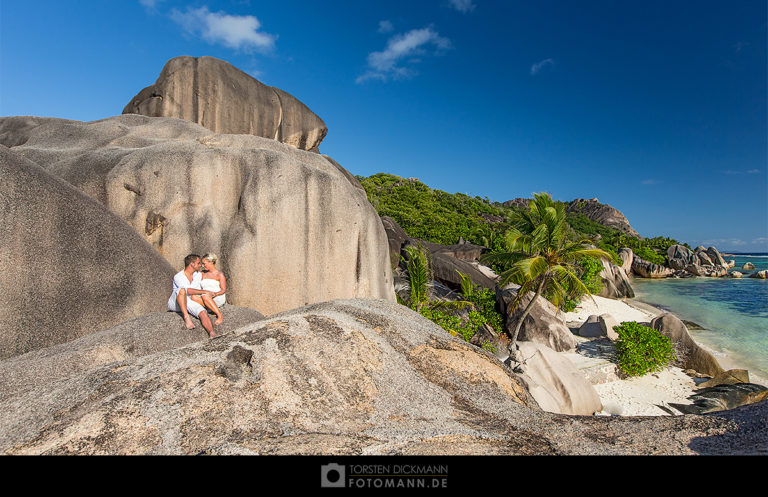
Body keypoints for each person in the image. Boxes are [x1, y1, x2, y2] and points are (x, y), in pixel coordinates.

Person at [168, 254, 219, 339]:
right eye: (198, 263)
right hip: (176, 302)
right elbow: (187, 290)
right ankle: (186, 317)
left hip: (190, 300)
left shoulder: (198, 275)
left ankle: (211, 333)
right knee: (182, 290)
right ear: (192, 264)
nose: (200, 265)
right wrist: (205, 291)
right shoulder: (178, 276)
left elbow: (212, 274)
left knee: (202, 312)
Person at [196, 253, 227, 326]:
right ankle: (209, 306)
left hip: (217, 296)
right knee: (193, 297)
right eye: (202, 264)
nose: (202, 266)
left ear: (211, 262)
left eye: (204, 263)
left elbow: (223, 290)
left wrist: (215, 294)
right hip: (205, 296)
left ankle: (219, 315)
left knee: (205, 296)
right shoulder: (202, 273)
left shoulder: (219, 274)